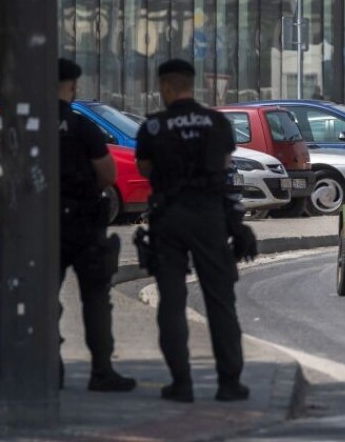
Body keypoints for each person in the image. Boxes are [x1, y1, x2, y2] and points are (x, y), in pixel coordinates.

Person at [135, 58, 249, 403]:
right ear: (191, 84)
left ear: (167, 87)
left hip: (168, 217)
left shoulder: (154, 127)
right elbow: (226, 166)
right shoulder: (216, 122)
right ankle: (229, 383)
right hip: (209, 217)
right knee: (220, 300)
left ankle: (181, 383)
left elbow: (144, 167)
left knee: (171, 301)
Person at [57, 57, 136, 393]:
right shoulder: (81, 126)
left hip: (44, 225)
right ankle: (101, 371)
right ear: (71, 85)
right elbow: (108, 174)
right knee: (96, 299)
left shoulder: (27, 123)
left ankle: (47, 368)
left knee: (44, 297)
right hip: (85, 223)